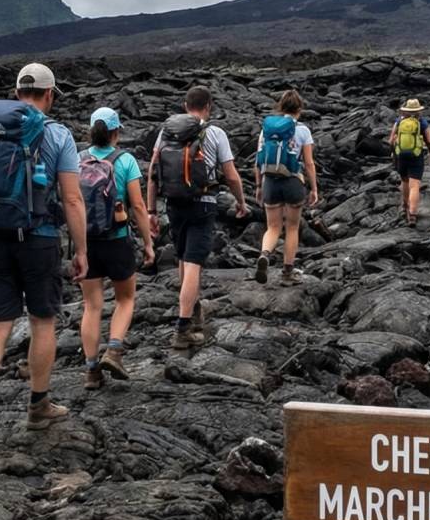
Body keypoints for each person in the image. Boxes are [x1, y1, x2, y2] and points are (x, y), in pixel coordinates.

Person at [0, 62, 87, 445]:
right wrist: (81, 250)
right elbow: (72, 198)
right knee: (42, 321)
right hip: (40, 238)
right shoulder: (58, 134)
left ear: (17, 93)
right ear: (49, 95)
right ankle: (38, 405)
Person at [147, 85, 248, 349]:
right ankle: (182, 328)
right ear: (209, 106)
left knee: (182, 258)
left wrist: (151, 211)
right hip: (203, 204)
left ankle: (191, 311)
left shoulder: (166, 132)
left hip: (174, 204)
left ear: (185, 105)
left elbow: (152, 174)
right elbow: (231, 174)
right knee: (193, 264)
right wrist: (241, 201)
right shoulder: (214, 133)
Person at [78, 106, 155, 387]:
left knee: (91, 306)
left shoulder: (78, 159)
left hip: (86, 242)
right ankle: (113, 349)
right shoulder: (125, 161)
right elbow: (137, 205)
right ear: (116, 132)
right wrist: (148, 243)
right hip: (117, 239)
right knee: (125, 299)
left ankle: (90, 370)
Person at [253, 89, 319, 285]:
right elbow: (309, 163)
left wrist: (258, 186)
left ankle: (264, 254)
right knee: (292, 227)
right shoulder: (303, 130)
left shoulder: (267, 129)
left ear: (281, 107)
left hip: (270, 182)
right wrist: (314, 188)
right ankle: (287, 273)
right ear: (299, 109)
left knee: (273, 227)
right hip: (293, 182)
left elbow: (258, 160)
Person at [389, 98, 430, 225]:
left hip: (401, 155)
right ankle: (412, 215)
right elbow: (429, 140)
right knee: (414, 185)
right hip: (416, 155)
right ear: (418, 110)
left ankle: (404, 206)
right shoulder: (422, 122)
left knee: (404, 181)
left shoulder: (399, 121)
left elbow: (391, 140)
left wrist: (393, 153)